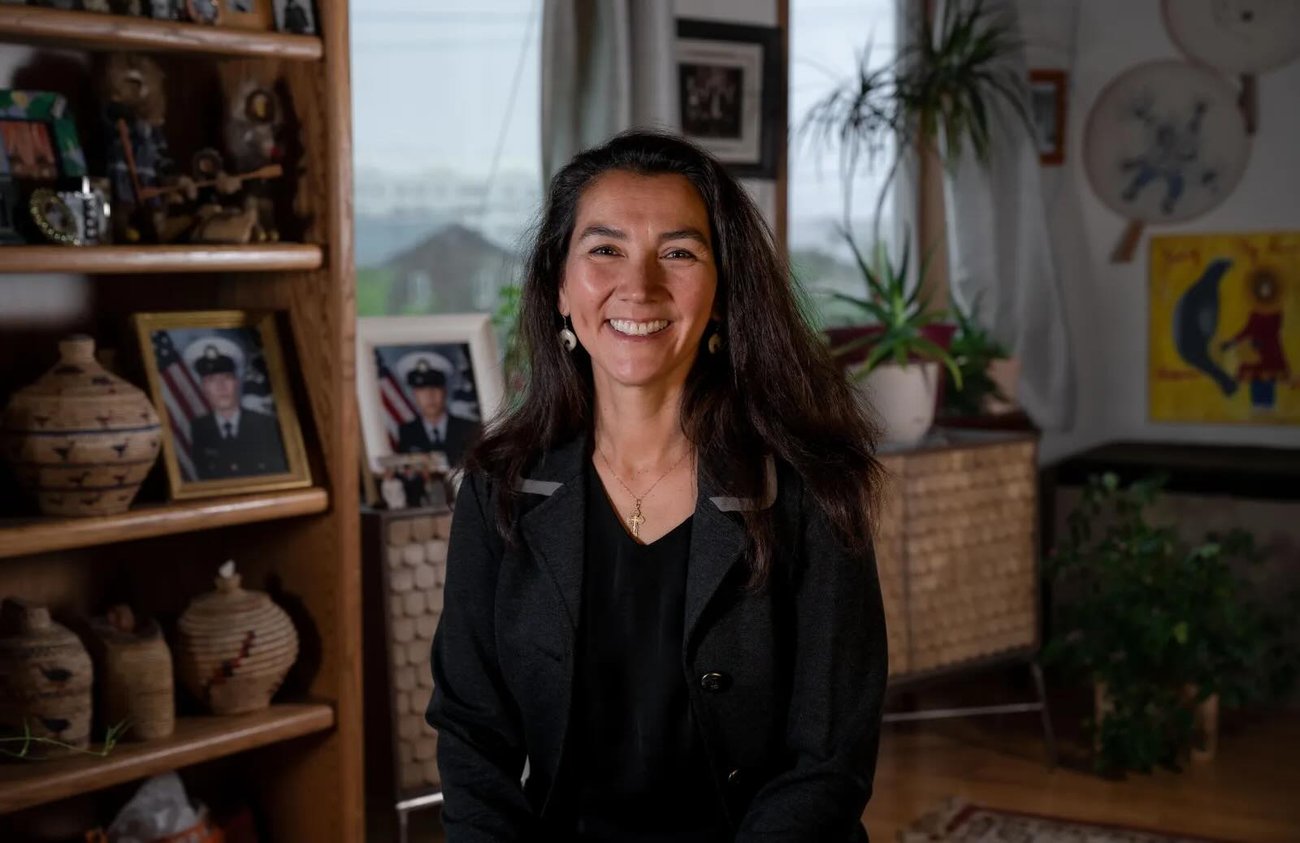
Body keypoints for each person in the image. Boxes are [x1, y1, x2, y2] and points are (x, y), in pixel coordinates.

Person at [426, 130, 887, 841]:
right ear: (560, 286)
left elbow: (827, 763)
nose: (638, 287)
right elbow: (471, 738)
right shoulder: (500, 488)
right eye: (605, 250)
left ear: (723, 293)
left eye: (678, 253)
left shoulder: (812, 490)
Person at [189, 344, 287, 480]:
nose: (221, 387)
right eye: (212, 380)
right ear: (203, 388)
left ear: (236, 382)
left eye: (227, 377)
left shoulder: (265, 424)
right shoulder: (199, 428)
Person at [395, 359, 481, 466]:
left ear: (445, 391)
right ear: (415, 395)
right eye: (422, 390)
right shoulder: (406, 433)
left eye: (435, 388)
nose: (429, 396)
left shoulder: (469, 428)